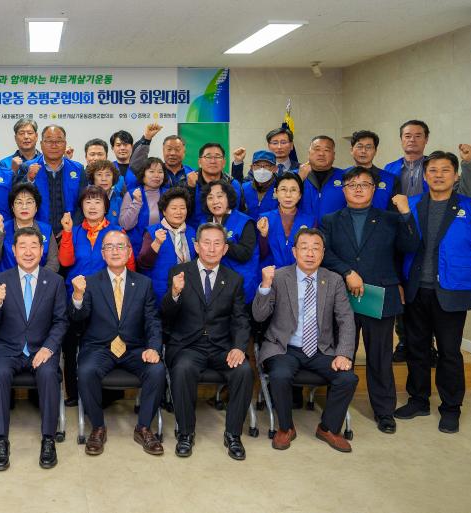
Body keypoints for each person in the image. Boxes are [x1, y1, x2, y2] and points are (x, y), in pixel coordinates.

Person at [395, 151, 471, 434]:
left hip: (451, 291)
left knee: (450, 352)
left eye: (445, 170)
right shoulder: (411, 205)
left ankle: (451, 408)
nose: (438, 175)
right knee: (417, 348)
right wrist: (399, 285)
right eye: (433, 170)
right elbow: (399, 247)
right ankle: (418, 400)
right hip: (416, 289)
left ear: (455, 176)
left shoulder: (470, 206)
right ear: (425, 175)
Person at [320, 167, 420, 434]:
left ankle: (384, 412)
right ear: (344, 190)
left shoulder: (389, 218)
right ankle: (336, 410)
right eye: (352, 184)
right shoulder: (330, 220)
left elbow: (410, 247)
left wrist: (406, 213)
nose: (358, 189)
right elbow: (324, 253)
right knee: (343, 354)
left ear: (375, 189)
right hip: (343, 297)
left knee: (380, 357)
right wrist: (348, 272)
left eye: (365, 184)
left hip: (380, 297)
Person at [253, 229, 358, 453]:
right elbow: (259, 316)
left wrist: (344, 353)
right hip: (284, 346)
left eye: (315, 248)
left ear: (322, 253)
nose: (309, 253)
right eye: (304, 247)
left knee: (347, 378)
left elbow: (346, 319)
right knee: (280, 375)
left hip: (321, 349)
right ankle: (285, 428)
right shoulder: (280, 277)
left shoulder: (334, 280)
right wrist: (265, 285)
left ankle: (328, 428)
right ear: (294, 251)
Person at [70, 230, 165, 456]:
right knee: (85, 370)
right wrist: (77, 297)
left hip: (134, 349)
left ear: (129, 251)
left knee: (157, 369)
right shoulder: (89, 283)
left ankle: (143, 427)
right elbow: (77, 321)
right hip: (100, 348)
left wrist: (153, 347)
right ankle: (98, 427)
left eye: (120, 246)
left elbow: (153, 321)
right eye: (109, 247)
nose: (115, 251)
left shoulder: (143, 283)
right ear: (102, 254)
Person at [162, 223, 252, 460]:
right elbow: (166, 317)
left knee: (243, 370)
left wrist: (239, 348)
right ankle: (185, 433)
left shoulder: (234, 279)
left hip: (222, 347)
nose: (211, 248)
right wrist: (175, 294)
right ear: (196, 246)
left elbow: (240, 319)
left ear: (225, 249)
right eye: (206, 243)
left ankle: (233, 434)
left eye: (217, 244)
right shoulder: (179, 273)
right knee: (182, 369)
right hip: (188, 346)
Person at [0, 227, 69, 470]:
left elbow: (61, 321)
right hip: (7, 348)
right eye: (23, 246)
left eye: (34, 246)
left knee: (48, 373)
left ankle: (48, 439)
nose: (28, 252)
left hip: (41, 348)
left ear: (42, 251)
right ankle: (1, 440)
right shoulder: (1, 280)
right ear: (13, 250)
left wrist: (49, 348)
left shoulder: (55, 281)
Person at [58, 186, 135, 404]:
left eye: (98, 202)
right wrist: (66, 233)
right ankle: (73, 393)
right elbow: (65, 262)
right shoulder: (73, 230)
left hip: (108, 298)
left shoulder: (117, 232)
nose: (92, 206)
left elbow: (129, 266)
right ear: (81, 206)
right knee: (71, 345)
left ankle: (107, 394)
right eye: (88, 202)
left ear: (106, 207)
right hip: (76, 296)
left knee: (105, 343)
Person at [198, 179, 259, 304]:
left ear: (229, 198)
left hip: (241, 286)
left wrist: (220, 241)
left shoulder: (245, 222)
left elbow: (245, 254)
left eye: (220, 196)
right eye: (210, 198)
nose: (215, 201)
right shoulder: (204, 223)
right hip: (212, 286)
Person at [17, 125, 84, 237]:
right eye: (49, 141)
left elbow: (83, 204)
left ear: (65, 144)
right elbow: (15, 198)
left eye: (59, 141)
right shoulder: (27, 167)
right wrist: (29, 179)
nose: (54, 145)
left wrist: (70, 228)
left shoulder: (78, 169)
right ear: (41, 144)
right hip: (35, 233)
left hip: (70, 232)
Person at [0, 182, 59, 274]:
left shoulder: (46, 230)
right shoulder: (2, 228)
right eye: (19, 202)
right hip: (8, 284)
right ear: (12, 207)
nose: (24, 207)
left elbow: (53, 262)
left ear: (36, 207)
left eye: (29, 202)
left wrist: (37, 279)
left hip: (40, 284)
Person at [137, 187, 194, 301]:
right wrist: (157, 243)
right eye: (174, 208)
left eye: (183, 208)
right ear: (164, 211)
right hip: (160, 292)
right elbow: (142, 264)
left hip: (188, 291)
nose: (179, 212)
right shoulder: (152, 232)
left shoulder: (192, 232)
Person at [256, 173, 316, 269]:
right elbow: (261, 254)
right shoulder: (264, 219)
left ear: (300, 195)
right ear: (276, 192)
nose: (288, 195)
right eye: (283, 189)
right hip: (272, 276)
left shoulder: (310, 221)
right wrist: (263, 236)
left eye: (293, 190)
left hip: (299, 275)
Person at [120, 157, 168, 256]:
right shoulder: (132, 194)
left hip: (164, 248)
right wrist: (136, 203)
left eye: (160, 172)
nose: (156, 175)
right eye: (151, 171)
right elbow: (125, 225)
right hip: (137, 249)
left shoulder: (169, 194)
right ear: (143, 174)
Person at [129, 123, 197, 190]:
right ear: (163, 151)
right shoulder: (155, 172)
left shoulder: (192, 173)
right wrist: (147, 139)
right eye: (169, 149)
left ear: (184, 152)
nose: (172, 153)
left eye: (177, 149)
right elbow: (135, 166)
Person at [346, 130, 399, 210]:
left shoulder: (391, 179)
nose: (363, 151)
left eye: (368, 147)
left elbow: (394, 213)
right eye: (359, 147)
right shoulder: (341, 176)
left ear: (375, 151)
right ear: (351, 150)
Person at [297, 136, 346, 219]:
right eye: (317, 149)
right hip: (303, 229)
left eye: (326, 150)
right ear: (309, 153)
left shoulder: (345, 177)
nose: (321, 154)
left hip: (336, 230)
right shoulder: (295, 176)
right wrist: (298, 179)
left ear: (334, 155)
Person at [192, 143, 241, 225]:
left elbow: (238, 212)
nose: (213, 161)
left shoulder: (233, 184)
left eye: (217, 157)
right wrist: (191, 188)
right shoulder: (190, 182)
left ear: (224, 162)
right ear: (199, 162)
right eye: (208, 157)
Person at [230, 127, 299, 182]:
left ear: (291, 145)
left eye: (283, 142)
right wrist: (238, 162)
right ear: (269, 146)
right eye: (275, 143)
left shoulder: (300, 169)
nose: (279, 147)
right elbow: (239, 188)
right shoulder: (259, 168)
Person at [239, 150, 280, 218]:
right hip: (249, 227)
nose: (262, 170)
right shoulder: (244, 188)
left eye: (267, 165)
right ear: (252, 168)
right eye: (257, 165)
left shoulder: (280, 189)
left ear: (275, 169)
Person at [85, 159, 124, 225]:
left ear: (113, 178)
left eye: (108, 175)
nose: (104, 179)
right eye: (99, 174)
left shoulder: (119, 199)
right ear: (93, 178)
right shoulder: (85, 198)